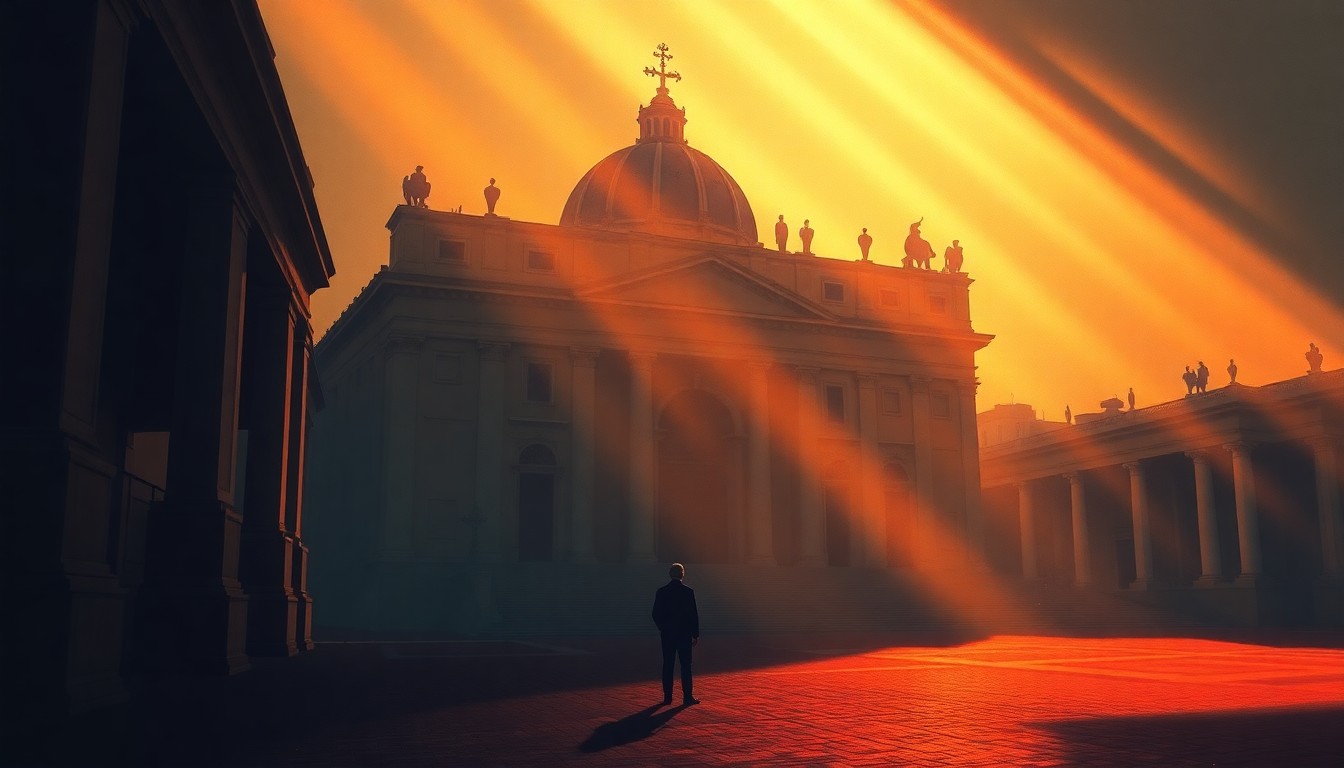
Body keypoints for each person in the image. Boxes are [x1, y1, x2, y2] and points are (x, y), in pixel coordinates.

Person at [652, 563, 700, 706]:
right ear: (682, 574)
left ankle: (667, 698)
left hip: (667, 634)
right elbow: (693, 615)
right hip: (684, 634)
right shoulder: (688, 592)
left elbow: (655, 613)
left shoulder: (662, 591)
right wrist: (695, 634)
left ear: (670, 574)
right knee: (686, 665)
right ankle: (687, 697)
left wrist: (663, 628)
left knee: (668, 664)